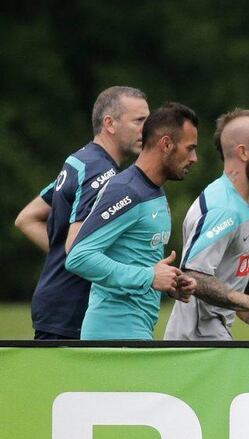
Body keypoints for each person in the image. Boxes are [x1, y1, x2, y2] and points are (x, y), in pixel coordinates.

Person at [14, 86, 149, 340]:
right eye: (139, 121)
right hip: (71, 311)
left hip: (55, 303)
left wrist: (61, 255)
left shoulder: (79, 161)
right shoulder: (102, 173)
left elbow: (27, 218)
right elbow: (76, 248)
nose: (147, 129)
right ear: (109, 123)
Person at [65, 102, 200, 340]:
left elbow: (137, 259)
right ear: (166, 144)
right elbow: (79, 256)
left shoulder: (154, 190)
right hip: (112, 334)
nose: (194, 158)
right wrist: (149, 276)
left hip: (135, 332)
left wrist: (168, 281)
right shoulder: (126, 191)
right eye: (189, 149)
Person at [164, 108, 249, 341]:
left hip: (211, 335)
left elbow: (214, 271)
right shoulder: (224, 209)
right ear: (243, 152)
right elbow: (194, 276)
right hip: (199, 340)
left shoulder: (237, 201)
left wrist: (238, 308)